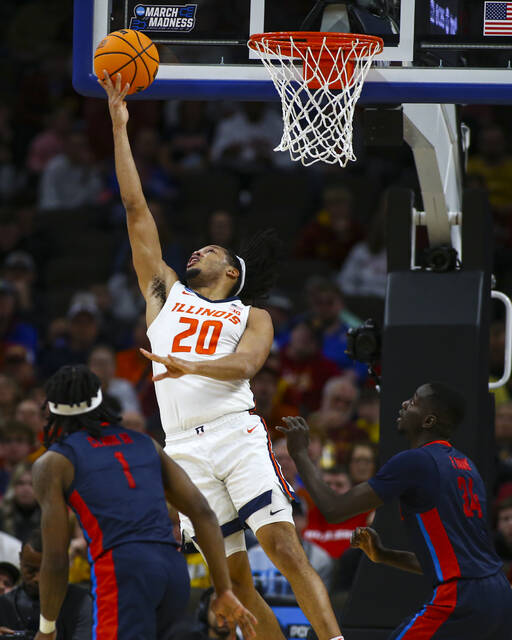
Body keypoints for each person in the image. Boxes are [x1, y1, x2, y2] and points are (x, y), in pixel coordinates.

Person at [100, 72, 343, 640]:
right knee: (232, 580)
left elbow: (249, 366)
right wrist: (119, 125)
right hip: (184, 448)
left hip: (237, 434)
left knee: (281, 545)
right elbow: (136, 208)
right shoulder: (164, 295)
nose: (197, 250)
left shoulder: (250, 314)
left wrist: (192, 366)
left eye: (211, 249)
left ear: (232, 271)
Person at [30, 365, 255, 640]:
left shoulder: (53, 462)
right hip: (173, 571)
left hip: (124, 569)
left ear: (50, 409)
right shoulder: (145, 443)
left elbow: (55, 558)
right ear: (101, 399)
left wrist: (47, 628)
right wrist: (223, 590)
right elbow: (203, 512)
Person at [278, 382, 512, 639]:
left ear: (428, 420)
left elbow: (334, 509)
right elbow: (455, 561)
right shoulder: (466, 466)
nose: (403, 404)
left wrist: (299, 454)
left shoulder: (416, 461)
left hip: (463, 596)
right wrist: (383, 555)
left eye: (413, 402)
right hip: (500, 594)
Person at [0, 529, 92, 640]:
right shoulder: (4, 604)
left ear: (62, 565)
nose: (38, 579)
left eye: (46, 572)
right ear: (20, 558)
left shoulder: (81, 602)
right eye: (30, 570)